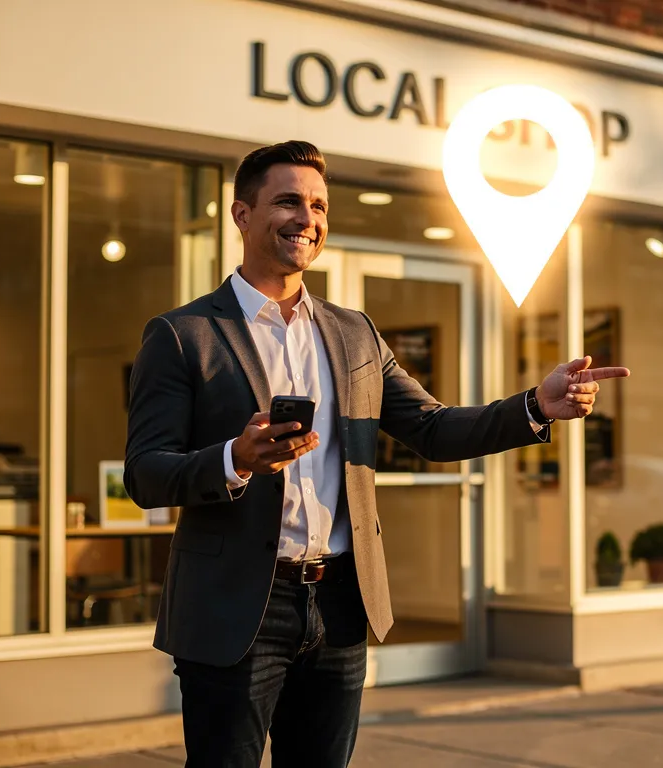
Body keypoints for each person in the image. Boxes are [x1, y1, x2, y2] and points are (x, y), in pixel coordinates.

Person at [124, 139, 629, 767]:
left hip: (340, 603)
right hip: (236, 610)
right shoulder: (183, 335)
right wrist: (235, 458)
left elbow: (434, 428)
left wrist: (534, 406)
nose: (306, 219)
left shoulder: (352, 331)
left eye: (318, 206)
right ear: (242, 215)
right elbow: (145, 474)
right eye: (287, 202)